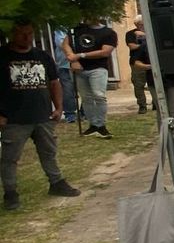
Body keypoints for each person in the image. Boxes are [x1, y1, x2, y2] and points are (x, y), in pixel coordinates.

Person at [1, 20, 81, 210]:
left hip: (42, 114)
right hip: (14, 117)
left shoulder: (42, 56)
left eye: (30, 33)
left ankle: (56, 182)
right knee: (10, 158)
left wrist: (59, 107)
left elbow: (54, 82)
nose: (27, 38)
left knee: (49, 152)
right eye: (22, 34)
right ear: (13, 33)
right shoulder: (3, 56)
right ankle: (10, 192)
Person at [63, 18, 117, 139]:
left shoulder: (108, 32)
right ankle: (93, 125)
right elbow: (66, 44)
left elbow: (105, 52)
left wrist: (81, 55)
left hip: (98, 68)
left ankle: (101, 125)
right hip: (79, 68)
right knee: (86, 98)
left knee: (99, 95)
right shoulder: (76, 29)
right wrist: (73, 59)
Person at [125, 15, 153, 114]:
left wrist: (145, 37)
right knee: (138, 85)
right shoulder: (130, 34)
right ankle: (142, 105)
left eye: (143, 24)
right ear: (136, 24)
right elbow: (132, 46)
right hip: (136, 61)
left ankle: (156, 103)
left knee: (153, 84)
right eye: (139, 24)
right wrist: (145, 44)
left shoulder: (151, 31)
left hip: (151, 61)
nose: (141, 26)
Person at [51, 28, 77, 123]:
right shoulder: (61, 28)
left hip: (82, 64)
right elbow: (61, 44)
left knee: (84, 89)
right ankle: (70, 114)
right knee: (67, 90)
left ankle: (84, 113)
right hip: (65, 64)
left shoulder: (81, 27)